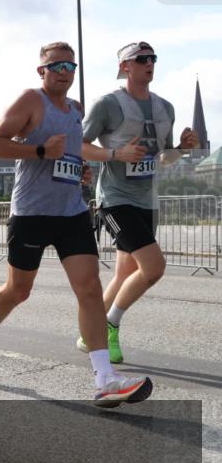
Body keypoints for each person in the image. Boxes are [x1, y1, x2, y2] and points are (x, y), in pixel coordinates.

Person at [0, 42, 153, 410]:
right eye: (56, 66)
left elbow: (70, 153)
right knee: (18, 290)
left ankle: (104, 380)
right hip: (31, 213)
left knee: (89, 288)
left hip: (70, 211)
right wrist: (39, 151)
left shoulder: (76, 111)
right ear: (42, 71)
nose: (64, 72)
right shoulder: (30, 101)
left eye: (70, 65)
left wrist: (77, 169)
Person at [77, 41, 201, 363]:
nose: (150, 63)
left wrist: (183, 149)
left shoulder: (166, 108)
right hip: (115, 199)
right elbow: (79, 145)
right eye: (142, 59)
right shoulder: (107, 104)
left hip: (147, 200)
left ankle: (87, 334)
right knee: (154, 267)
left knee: (124, 272)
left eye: (153, 58)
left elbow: (163, 158)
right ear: (125, 67)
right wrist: (115, 153)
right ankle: (109, 326)